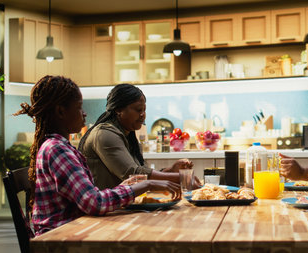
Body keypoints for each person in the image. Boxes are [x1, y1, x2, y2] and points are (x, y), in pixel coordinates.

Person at [14, 76, 181, 236]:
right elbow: (94, 202)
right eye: (79, 107)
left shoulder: (60, 147)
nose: (84, 113)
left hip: (75, 229)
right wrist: (146, 184)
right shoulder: (57, 150)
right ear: (60, 112)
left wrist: (127, 186)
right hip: (61, 238)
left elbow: (90, 197)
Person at [78, 83, 195, 190]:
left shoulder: (128, 135)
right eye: (139, 110)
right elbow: (133, 174)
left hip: (122, 207)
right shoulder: (104, 134)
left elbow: (142, 173)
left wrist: (171, 170)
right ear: (119, 110)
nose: (143, 115)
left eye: (144, 110)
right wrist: (181, 177)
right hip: (106, 208)